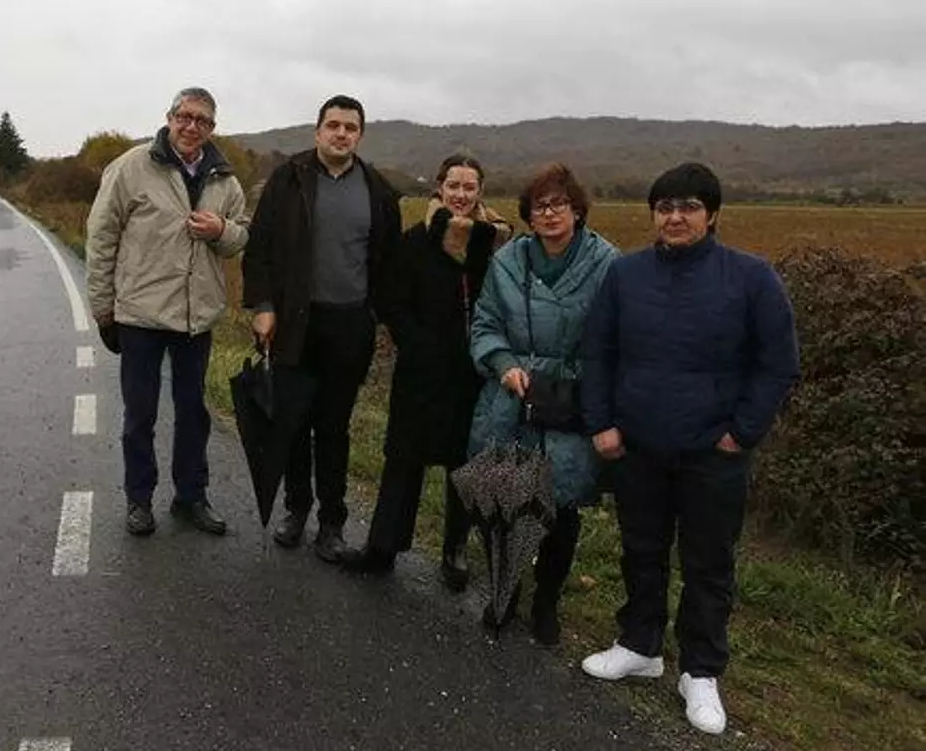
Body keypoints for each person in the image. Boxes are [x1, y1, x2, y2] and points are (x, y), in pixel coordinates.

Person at [578, 163, 799, 737]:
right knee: (641, 548)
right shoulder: (625, 275)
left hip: (713, 452)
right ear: (653, 215)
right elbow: (597, 353)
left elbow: (777, 365)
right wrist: (602, 423)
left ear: (713, 214)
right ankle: (640, 645)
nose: (675, 217)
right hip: (637, 446)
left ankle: (700, 671)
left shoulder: (750, 278)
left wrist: (741, 433)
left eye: (689, 207)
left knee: (708, 563)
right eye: (665, 207)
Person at [242, 95, 404, 562]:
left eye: (350, 127)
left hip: (350, 325)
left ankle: (332, 522)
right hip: (296, 321)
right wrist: (264, 306)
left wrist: (379, 318)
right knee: (293, 422)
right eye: (333, 125)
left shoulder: (378, 190)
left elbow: (389, 263)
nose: (341, 134)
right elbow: (260, 247)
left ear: (360, 136)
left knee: (334, 427)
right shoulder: (288, 179)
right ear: (317, 131)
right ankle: (297, 509)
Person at [340, 154, 514, 582]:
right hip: (420, 368)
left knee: (463, 462)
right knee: (403, 457)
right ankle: (383, 546)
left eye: (469, 187)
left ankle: (455, 550)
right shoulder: (416, 240)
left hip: (472, 372)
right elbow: (391, 298)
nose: (460, 194)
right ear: (440, 188)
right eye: (453, 185)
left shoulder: (497, 244)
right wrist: (416, 342)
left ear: (480, 192)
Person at [465, 162, 619, 644]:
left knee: (561, 506)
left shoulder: (608, 264)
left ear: (578, 210)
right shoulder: (507, 261)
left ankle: (547, 600)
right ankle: (504, 590)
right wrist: (502, 363)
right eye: (540, 206)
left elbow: (618, 336)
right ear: (528, 215)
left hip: (570, 401)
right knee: (501, 499)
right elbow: (485, 322)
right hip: (512, 397)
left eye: (560, 204)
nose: (550, 214)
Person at [85, 87, 250, 537]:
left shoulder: (225, 180)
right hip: (140, 315)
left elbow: (241, 237)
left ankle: (191, 497)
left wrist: (221, 229)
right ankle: (139, 500)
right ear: (169, 117)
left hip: (197, 317)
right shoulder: (131, 167)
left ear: (212, 128)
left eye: (202, 120)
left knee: (193, 412)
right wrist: (103, 309)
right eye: (185, 116)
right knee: (140, 415)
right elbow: (101, 237)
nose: (192, 126)